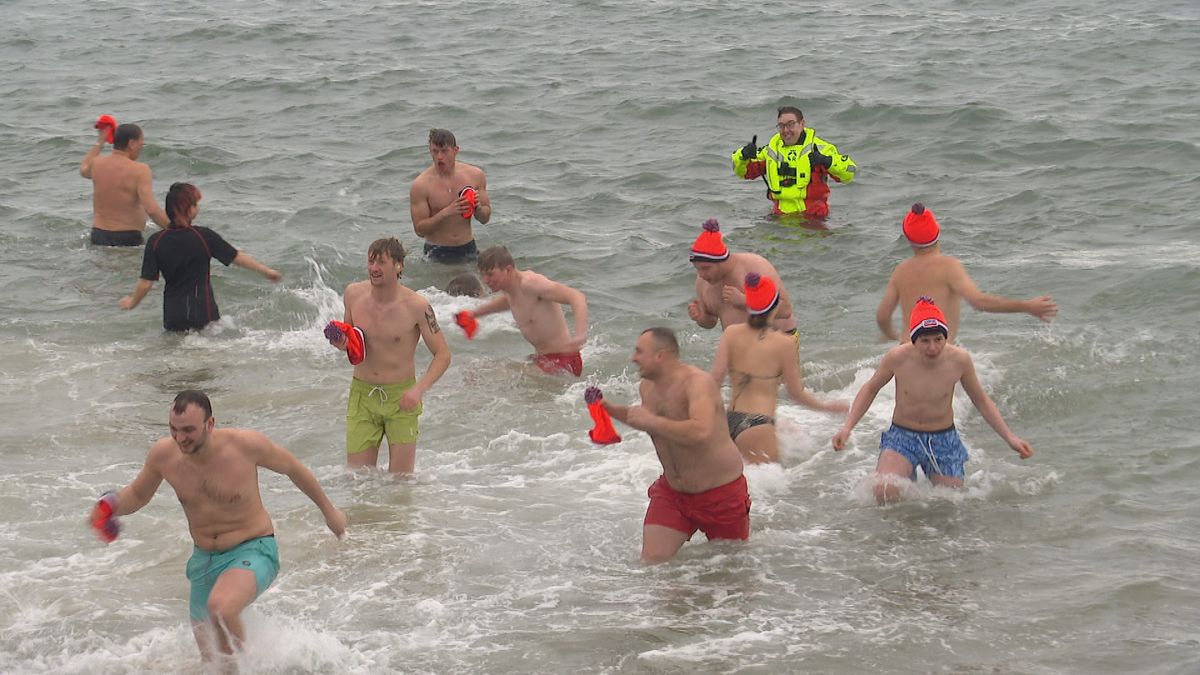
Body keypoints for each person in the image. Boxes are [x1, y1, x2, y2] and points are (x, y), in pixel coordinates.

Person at [88, 390, 347, 670]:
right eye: (174, 429)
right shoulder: (164, 456)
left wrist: (329, 512)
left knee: (221, 609)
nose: (180, 438)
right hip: (204, 562)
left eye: (188, 430)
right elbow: (138, 495)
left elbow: (293, 468)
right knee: (212, 662)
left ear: (210, 424)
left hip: (254, 549)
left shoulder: (244, 446)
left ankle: (248, 669)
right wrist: (109, 506)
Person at [832, 298, 1035, 504]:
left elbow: (981, 400)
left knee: (949, 502)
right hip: (902, 436)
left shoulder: (960, 360)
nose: (933, 347)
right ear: (914, 340)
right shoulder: (897, 358)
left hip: (943, 439)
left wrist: (1010, 438)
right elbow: (870, 389)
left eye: (938, 339)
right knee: (884, 491)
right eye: (925, 341)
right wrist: (847, 428)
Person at [596, 328, 750, 563]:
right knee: (652, 563)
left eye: (639, 351)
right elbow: (645, 420)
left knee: (731, 569)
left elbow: (701, 432)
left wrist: (652, 421)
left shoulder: (698, 383)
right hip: (674, 493)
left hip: (721, 494)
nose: (633, 358)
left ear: (660, 356)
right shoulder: (647, 387)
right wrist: (608, 408)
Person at [327, 237, 451, 473]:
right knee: (358, 478)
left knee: (400, 482)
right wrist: (341, 343)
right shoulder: (353, 295)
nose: (374, 268)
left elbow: (443, 354)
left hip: (401, 398)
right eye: (370, 262)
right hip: (362, 395)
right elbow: (352, 343)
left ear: (398, 266)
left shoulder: (417, 306)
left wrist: (418, 390)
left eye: (381, 262)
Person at [710, 273, 848, 464]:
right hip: (757, 424)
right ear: (774, 306)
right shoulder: (785, 344)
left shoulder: (731, 333)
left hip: (728, 421)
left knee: (740, 481)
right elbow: (796, 393)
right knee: (769, 482)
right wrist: (826, 407)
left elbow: (714, 380)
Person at [876, 203, 1058, 343]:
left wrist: (894, 336)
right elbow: (979, 302)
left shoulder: (900, 271)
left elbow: (882, 317)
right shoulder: (948, 266)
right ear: (938, 232)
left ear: (909, 239)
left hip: (906, 353)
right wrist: (1026, 306)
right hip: (938, 354)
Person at [119, 183, 281, 331]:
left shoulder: (155, 241)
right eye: (195, 204)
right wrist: (266, 271)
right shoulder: (203, 236)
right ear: (187, 209)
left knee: (176, 352)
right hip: (203, 313)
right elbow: (236, 257)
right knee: (207, 352)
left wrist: (132, 302)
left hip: (174, 315)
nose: (198, 207)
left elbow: (146, 282)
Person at [459, 245, 589, 377]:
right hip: (543, 359)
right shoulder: (510, 291)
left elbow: (577, 297)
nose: (485, 280)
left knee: (491, 372)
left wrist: (581, 334)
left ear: (508, 270)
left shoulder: (531, 283)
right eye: (483, 275)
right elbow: (505, 302)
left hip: (564, 361)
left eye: (490, 274)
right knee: (485, 371)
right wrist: (474, 314)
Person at [731, 106, 856, 218]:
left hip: (813, 219)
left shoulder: (820, 149)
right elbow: (742, 172)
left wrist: (827, 161)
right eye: (781, 126)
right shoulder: (770, 151)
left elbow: (849, 172)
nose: (786, 130)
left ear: (802, 124)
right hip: (779, 218)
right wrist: (743, 155)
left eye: (791, 124)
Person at [686, 219, 797, 334]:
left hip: (779, 338)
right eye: (697, 268)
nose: (701, 275)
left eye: (706, 268)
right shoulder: (702, 283)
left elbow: (785, 310)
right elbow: (710, 322)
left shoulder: (754, 266)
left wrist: (745, 302)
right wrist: (700, 317)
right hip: (739, 343)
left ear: (721, 261)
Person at [409, 128, 493, 263]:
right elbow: (419, 230)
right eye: (435, 151)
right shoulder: (421, 185)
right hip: (436, 251)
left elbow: (485, 218)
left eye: (444, 151)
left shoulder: (475, 175)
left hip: (468, 248)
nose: (439, 157)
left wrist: (477, 208)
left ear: (455, 150)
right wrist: (446, 212)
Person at [79, 122, 170, 246]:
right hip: (128, 238)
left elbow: (83, 169)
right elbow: (151, 210)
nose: (141, 148)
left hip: (98, 235)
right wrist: (176, 228)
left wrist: (100, 141)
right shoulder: (140, 170)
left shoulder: (97, 164)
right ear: (131, 144)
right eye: (140, 144)